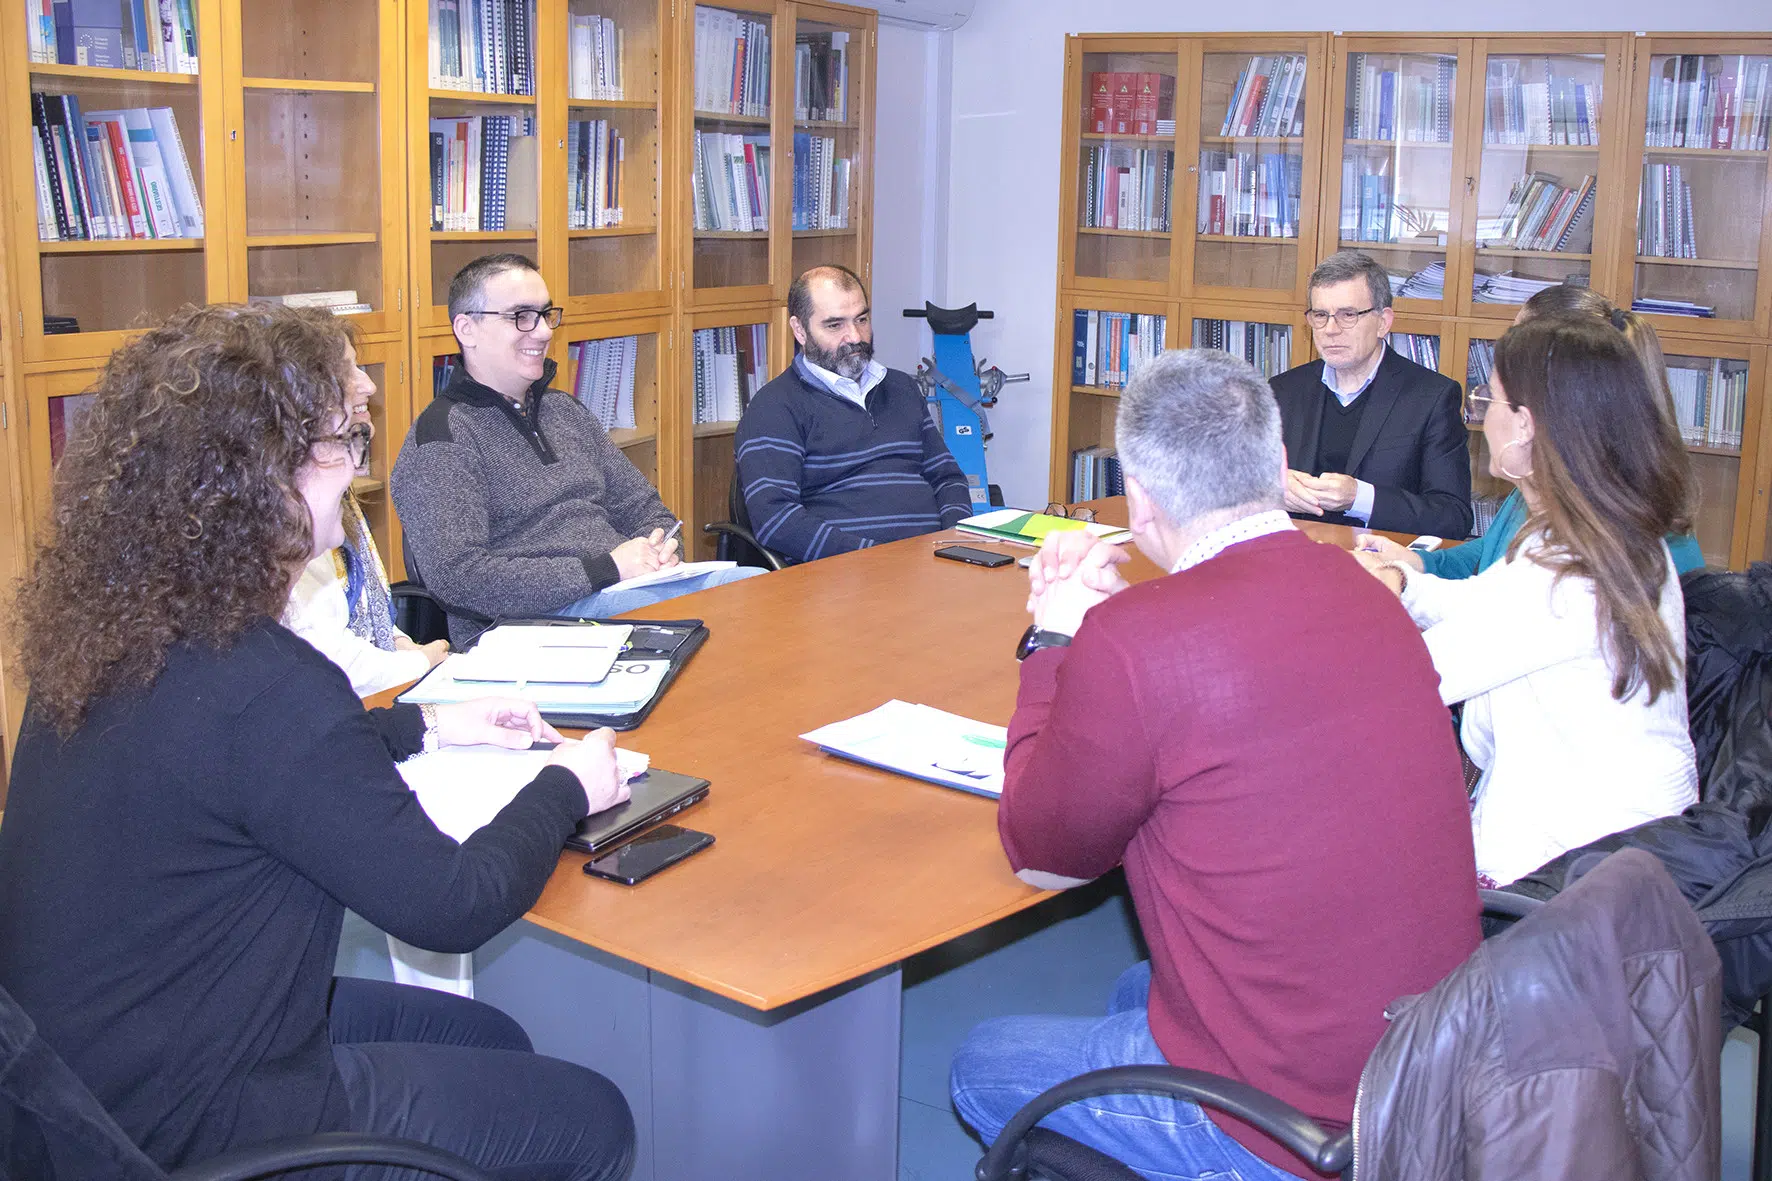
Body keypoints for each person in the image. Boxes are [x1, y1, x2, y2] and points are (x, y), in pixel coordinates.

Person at [0, 302, 635, 1180]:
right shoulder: (269, 681)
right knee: (593, 1118)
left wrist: (424, 722)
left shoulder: (117, 635)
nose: (355, 473)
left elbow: (245, 772)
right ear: (257, 477)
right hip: (200, 1118)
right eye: (340, 443)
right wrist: (566, 782)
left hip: (85, 1085)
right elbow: (450, 903)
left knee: (490, 1035)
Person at [947, 349, 1481, 1180]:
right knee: (1136, 989)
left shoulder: (1139, 641)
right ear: (1276, 464)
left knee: (982, 1060)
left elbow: (1044, 854)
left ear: (1141, 497)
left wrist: (1054, 640)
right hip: (1426, 1073)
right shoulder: (1370, 594)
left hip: (1296, 1127)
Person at [1360, 314, 1699, 887]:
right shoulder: (1600, 533)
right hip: (1614, 855)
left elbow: (1411, 676)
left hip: (1572, 879)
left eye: (1488, 397)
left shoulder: (1567, 571)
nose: (1480, 415)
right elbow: (1486, 608)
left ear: (1524, 426)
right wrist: (1399, 581)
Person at [392, 253, 762, 641]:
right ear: (467, 329)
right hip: (533, 626)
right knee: (741, 606)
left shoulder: (563, 411)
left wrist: (661, 546)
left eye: (545, 314)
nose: (542, 332)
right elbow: (459, 578)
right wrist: (606, 569)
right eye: (521, 316)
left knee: (757, 587)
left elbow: (644, 507)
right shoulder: (441, 439)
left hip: (618, 591)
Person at [1359, 284, 1705, 579]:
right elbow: (1493, 552)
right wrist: (1417, 562)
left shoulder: (1600, 534)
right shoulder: (1557, 475)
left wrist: (1406, 581)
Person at [732, 265, 973, 563]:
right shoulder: (775, 407)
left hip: (929, 566)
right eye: (835, 325)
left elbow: (948, 479)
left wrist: (950, 543)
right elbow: (776, 520)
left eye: (862, 319)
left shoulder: (901, 388)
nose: (854, 336)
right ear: (799, 330)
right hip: (842, 577)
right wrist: (877, 559)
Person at [1270, 249, 1472, 538]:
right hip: (1296, 563)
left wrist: (1360, 499)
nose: (1330, 329)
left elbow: (1453, 517)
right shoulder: (1282, 391)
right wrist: (1272, 488)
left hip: (1385, 568)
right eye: (1320, 315)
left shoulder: (1432, 397)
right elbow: (1232, 489)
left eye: (1347, 315)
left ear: (1383, 322)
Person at [285, 371, 448, 696]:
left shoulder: (329, 493)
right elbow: (325, 658)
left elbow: (364, 603)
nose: (370, 384)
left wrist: (399, 641)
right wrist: (421, 662)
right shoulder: (294, 513)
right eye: (345, 370)